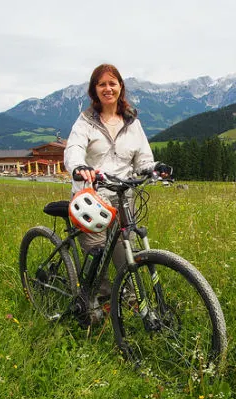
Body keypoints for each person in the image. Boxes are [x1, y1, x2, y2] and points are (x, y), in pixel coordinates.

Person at [64, 63, 171, 302]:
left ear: (121, 87)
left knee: (125, 250)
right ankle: (96, 301)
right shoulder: (86, 121)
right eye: (102, 84)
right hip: (91, 196)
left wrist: (154, 168)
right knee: (97, 253)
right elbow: (74, 149)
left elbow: (143, 158)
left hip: (124, 196)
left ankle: (130, 299)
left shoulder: (133, 123)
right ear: (95, 90)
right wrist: (79, 167)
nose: (108, 88)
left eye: (112, 83)